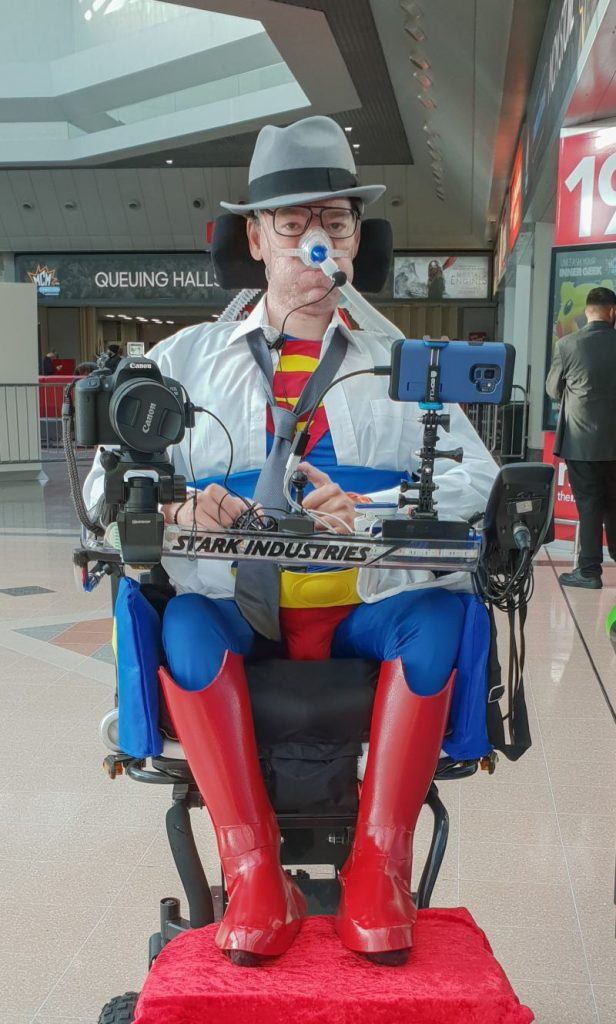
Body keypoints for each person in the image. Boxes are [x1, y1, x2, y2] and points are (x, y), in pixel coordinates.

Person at [84, 115, 498, 967]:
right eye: (293, 224)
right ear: (255, 237)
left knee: (442, 619)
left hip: (362, 611)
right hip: (237, 610)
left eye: (335, 222)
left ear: (357, 238)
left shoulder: (404, 364)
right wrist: (173, 511)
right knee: (186, 625)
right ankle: (251, 869)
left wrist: (377, 508)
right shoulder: (185, 360)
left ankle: (379, 866)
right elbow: (101, 485)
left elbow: (480, 480)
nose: (317, 243)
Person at [546, 286, 616, 589]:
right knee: (614, 503)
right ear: (613, 312)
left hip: (581, 441)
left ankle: (589, 571)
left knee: (588, 504)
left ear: (588, 311)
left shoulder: (567, 345)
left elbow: (552, 389)